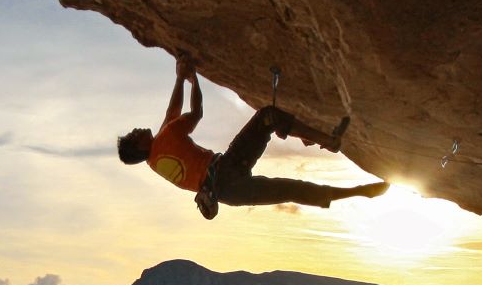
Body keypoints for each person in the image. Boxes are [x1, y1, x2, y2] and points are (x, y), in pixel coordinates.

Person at [118, 55, 389, 218]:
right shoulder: (165, 138)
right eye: (133, 134)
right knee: (267, 117)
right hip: (226, 170)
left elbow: (171, 113)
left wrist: (181, 78)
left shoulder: (155, 159)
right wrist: (193, 77)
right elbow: (195, 112)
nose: (136, 129)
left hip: (225, 192)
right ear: (138, 144)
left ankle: (357, 191)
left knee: (289, 190)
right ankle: (326, 141)